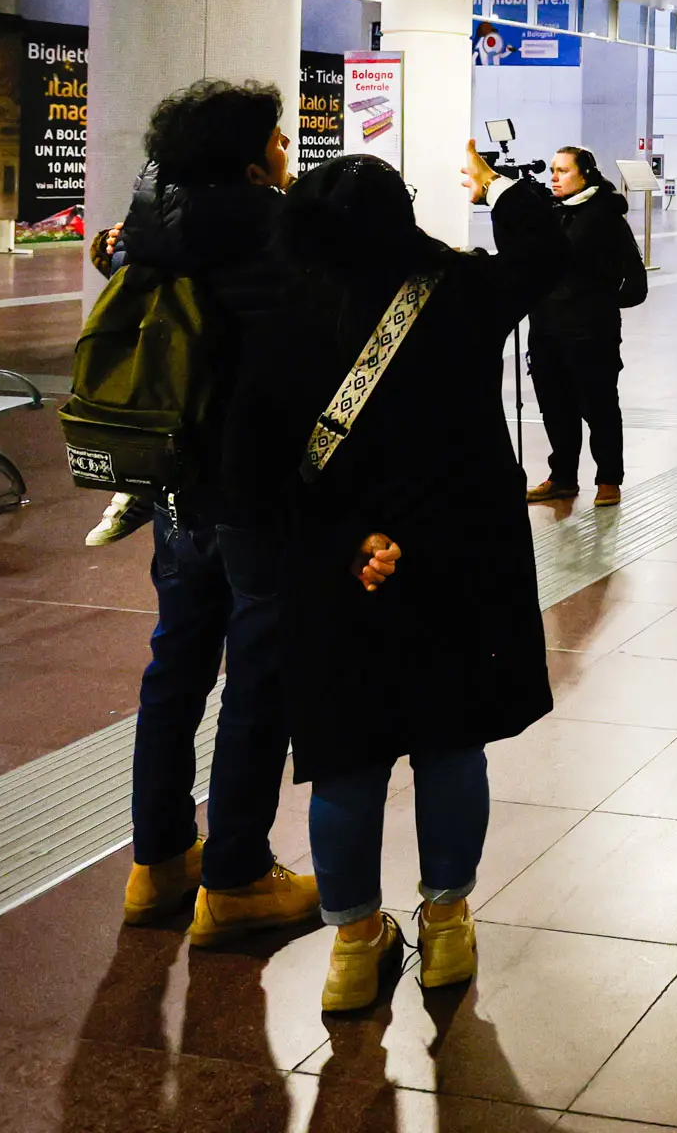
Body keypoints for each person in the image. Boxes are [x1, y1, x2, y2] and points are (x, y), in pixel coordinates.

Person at [241, 141, 567, 1014]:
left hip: (340, 565)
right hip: (457, 555)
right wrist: (503, 184)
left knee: (345, 753)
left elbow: (258, 453)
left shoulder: (278, 303)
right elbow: (545, 250)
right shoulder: (463, 292)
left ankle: (354, 945)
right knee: (450, 741)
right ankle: (448, 925)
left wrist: (353, 539)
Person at [109, 80, 318, 946]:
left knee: (175, 670)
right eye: (276, 140)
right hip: (256, 492)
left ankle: (157, 864)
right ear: (247, 156)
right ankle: (235, 876)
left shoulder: (151, 227)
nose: (285, 150)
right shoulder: (273, 237)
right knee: (257, 680)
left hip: (176, 488)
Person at [523, 146, 636, 507]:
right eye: (552, 170)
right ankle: (563, 477)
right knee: (555, 408)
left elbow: (635, 283)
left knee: (599, 407)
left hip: (590, 334)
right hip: (546, 330)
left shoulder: (606, 217)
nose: (554, 177)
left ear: (584, 174)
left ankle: (608, 480)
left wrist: (595, 302)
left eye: (563, 171)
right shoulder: (550, 214)